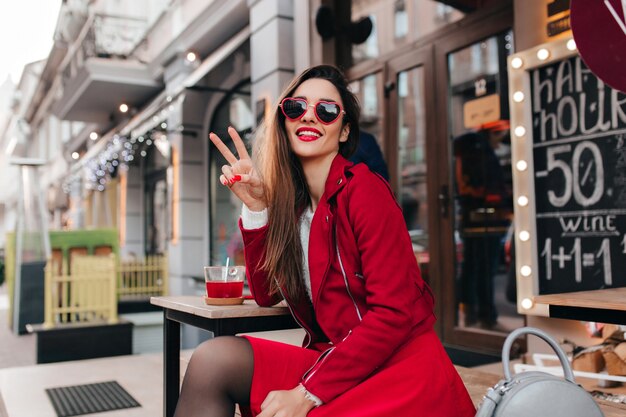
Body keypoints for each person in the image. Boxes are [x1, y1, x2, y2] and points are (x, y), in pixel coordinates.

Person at [175, 65, 475, 417]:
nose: (309, 117)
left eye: (327, 110)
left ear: (344, 130)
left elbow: (393, 314)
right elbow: (266, 294)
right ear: (284, 121)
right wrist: (257, 208)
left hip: (397, 370)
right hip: (335, 359)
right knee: (214, 360)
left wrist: (307, 392)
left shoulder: (365, 191)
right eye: (296, 107)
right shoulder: (295, 208)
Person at [454, 121, 512, 328]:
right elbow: (471, 187)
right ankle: (484, 314)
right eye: (501, 136)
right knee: (483, 269)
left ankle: (473, 312)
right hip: (485, 219)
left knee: (474, 268)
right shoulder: (478, 151)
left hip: (476, 219)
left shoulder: (469, 149)